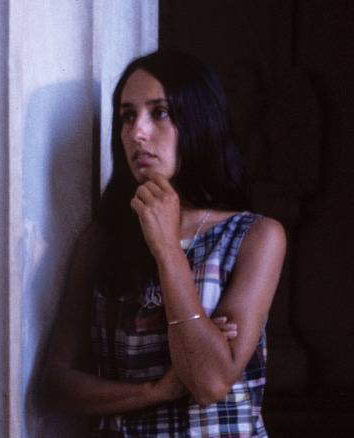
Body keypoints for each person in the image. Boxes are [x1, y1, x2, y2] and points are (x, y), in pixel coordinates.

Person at [43, 49, 286, 437]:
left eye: (158, 112)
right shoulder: (101, 242)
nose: (137, 131)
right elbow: (56, 384)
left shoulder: (254, 236)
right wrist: (158, 389)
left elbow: (209, 382)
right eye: (127, 116)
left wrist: (167, 249)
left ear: (198, 122)